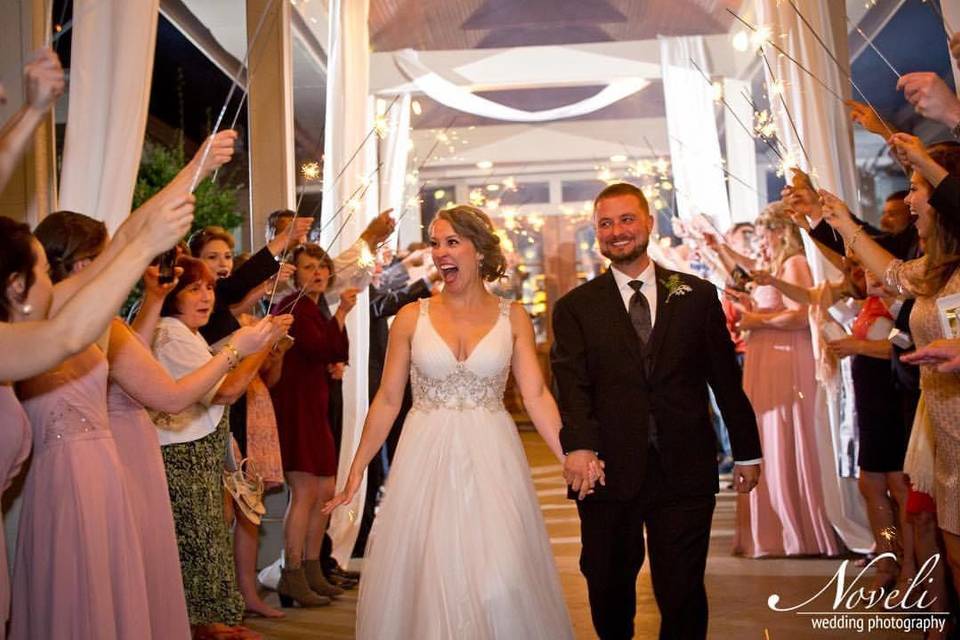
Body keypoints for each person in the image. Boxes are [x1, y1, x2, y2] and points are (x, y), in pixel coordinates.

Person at [324, 204, 575, 639]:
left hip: (493, 459)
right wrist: (356, 471)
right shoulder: (410, 316)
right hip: (426, 460)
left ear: (479, 251)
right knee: (431, 574)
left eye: (452, 242)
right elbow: (386, 400)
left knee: (499, 577)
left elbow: (535, 395)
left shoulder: (512, 316)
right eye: (436, 243)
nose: (440, 252)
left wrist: (568, 457)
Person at [550, 182, 761, 640]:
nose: (617, 231)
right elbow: (572, 387)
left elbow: (725, 381)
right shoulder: (575, 309)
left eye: (627, 219)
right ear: (596, 233)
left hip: (684, 469)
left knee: (682, 590)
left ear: (649, 223)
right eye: (605, 223)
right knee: (607, 588)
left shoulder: (698, 296)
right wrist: (581, 446)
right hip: (605, 470)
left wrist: (747, 451)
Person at [820, 140, 960, 603]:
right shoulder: (936, 269)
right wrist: (840, 223)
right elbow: (895, 274)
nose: (910, 198)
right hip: (942, 427)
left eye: (917, 186)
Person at [150, 256, 289, 639]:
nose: (206, 296)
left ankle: (209, 624)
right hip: (181, 454)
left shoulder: (187, 332)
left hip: (199, 450)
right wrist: (261, 344)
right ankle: (201, 627)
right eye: (194, 288)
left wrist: (258, 339)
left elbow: (218, 361)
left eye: (210, 287)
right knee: (195, 545)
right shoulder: (169, 333)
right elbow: (226, 390)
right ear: (172, 294)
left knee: (207, 539)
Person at [731, 203, 841, 559]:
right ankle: (773, 529)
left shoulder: (795, 265)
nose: (760, 242)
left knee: (785, 434)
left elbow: (798, 316)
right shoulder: (776, 267)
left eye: (763, 234)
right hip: (767, 357)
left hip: (786, 358)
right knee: (767, 435)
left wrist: (754, 321)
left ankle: (799, 529)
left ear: (780, 232)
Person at [269, 244, 357, 607]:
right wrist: (342, 314)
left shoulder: (312, 308)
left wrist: (342, 314)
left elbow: (336, 352)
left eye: (322, 267)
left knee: (324, 490)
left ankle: (311, 568)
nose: (318, 273)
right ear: (295, 272)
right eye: (309, 267)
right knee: (305, 490)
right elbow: (322, 349)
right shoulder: (291, 306)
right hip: (295, 406)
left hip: (314, 404)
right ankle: (292, 573)